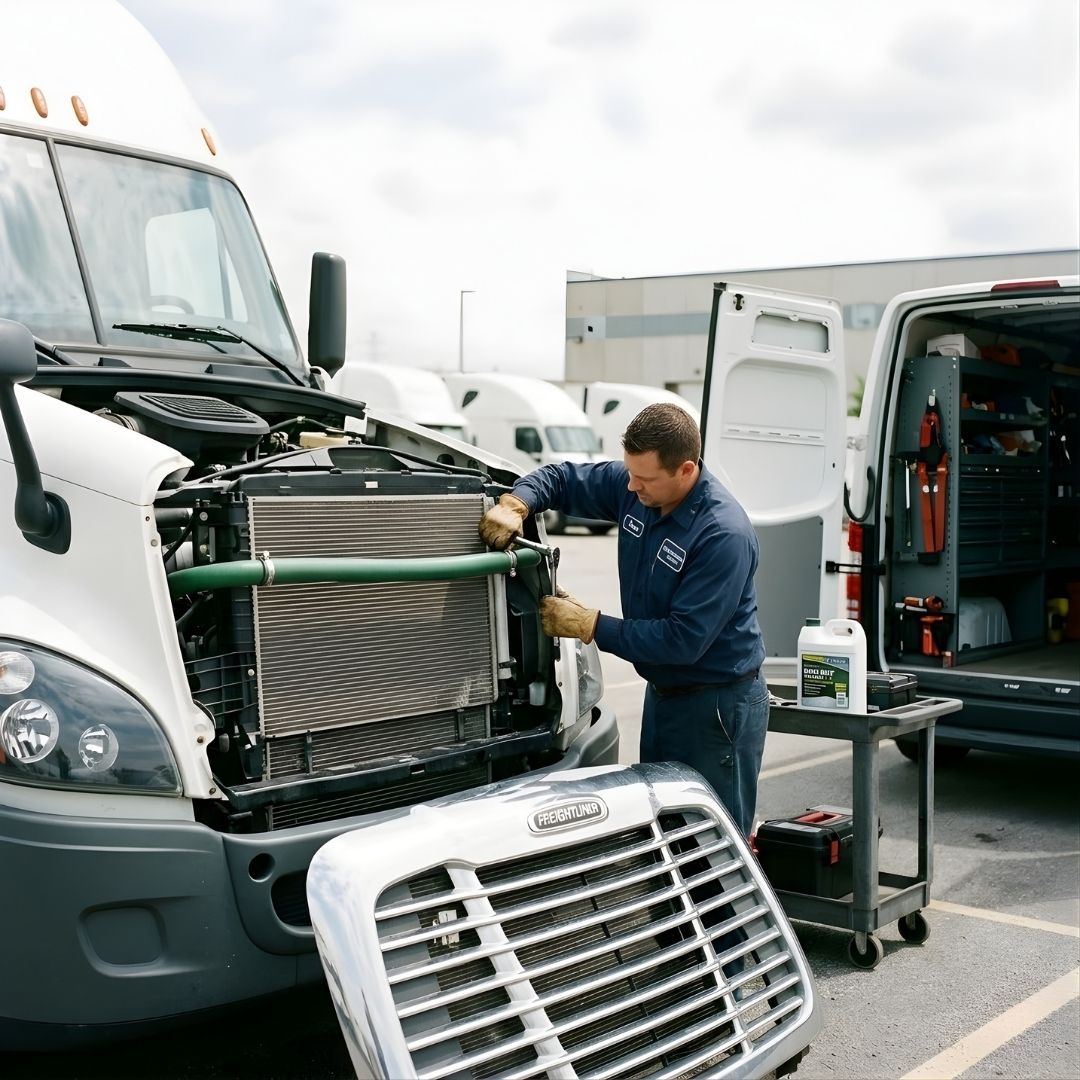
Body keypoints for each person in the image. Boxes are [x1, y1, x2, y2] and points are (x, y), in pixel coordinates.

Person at [479, 402, 769, 838]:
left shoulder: (721, 535)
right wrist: (518, 502)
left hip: (716, 709)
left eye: (645, 478)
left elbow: (681, 641)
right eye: (630, 473)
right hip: (666, 695)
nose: (631, 487)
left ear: (686, 470)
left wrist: (591, 625)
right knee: (666, 832)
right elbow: (560, 478)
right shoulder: (637, 487)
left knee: (712, 843)